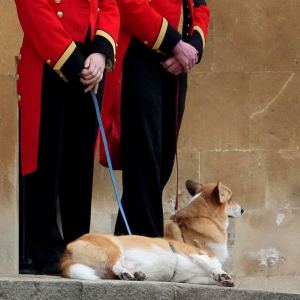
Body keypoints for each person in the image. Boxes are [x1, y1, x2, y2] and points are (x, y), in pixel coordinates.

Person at [15, 0, 119, 274]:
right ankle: (45, 252)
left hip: (90, 64)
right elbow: (32, 8)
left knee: (79, 162)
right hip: (49, 62)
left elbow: (109, 6)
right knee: (44, 160)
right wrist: (74, 62)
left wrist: (100, 51)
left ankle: (77, 248)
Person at [100, 0, 210, 237]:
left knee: (163, 160)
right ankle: (147, 242)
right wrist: (174, 43)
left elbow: (199, 6)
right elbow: (128, 5)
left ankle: (128, 241)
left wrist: (193, 48)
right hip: (141, 57)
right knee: (144, 158)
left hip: (177, 63)